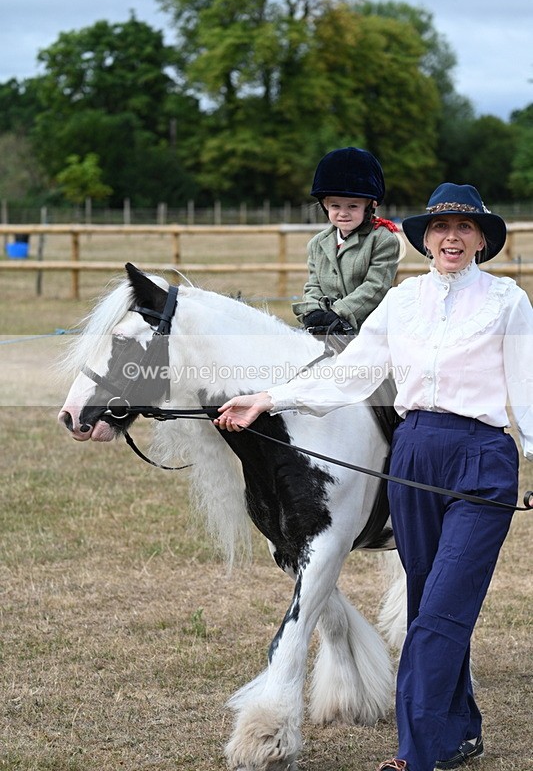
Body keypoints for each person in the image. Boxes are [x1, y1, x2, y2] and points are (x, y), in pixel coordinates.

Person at [214, 183, 533, 771]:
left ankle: (418, 753)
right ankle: (461, 730)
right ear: (425, 240)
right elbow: (349, 374)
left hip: (481, 459)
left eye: (465, 228)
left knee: (437, 612)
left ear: (483, 239)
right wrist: (268, 397)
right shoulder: (404, 302)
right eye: (441, 229)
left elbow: (530, 389)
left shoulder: (507, 302)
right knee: (434, 603)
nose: (452, 238)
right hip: (413, 455)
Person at [293, 146, 403, 337]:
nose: (343, 213)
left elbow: (375, 286)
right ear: (325, 205)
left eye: (352, 206)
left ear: (370, 205)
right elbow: (313, 285)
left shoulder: (383, 240)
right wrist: (313, 312)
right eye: (335, 205)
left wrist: (339, 313)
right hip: (326, 328)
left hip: (370, 331)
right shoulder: (317, 244)